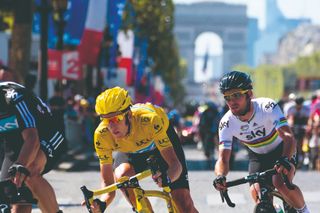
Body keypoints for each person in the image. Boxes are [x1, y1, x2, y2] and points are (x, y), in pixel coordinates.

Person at [85, 87, 199, 213]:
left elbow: (175, 165)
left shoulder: (150, 120)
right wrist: (102, 203)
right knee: (122, 176)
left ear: (128, 115)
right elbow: (108, 185)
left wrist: (167, 178)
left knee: (184, 204)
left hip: (160, 148)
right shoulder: (101, 135)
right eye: (106, 120)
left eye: (116, 119)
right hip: (132, 151)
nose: (111, 126)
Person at [213, 71, 311, 213]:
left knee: (280, 183)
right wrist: (220, 176)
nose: (232, 101)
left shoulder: (267, 107)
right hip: (257, 156)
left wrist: (284, 159)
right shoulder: (226, 123)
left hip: (282, 150)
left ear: (249, 94)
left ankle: (304, 211)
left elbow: (289, 137)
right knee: (257, 192)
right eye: (227, 97)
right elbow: (223, 158)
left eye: (236, 95)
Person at [0, 81, 66, 213]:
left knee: (29, 170)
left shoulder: (14, 97)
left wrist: (20, 165)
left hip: (46, 134)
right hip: (13, 143)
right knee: (14, 195)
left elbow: (32, 138)